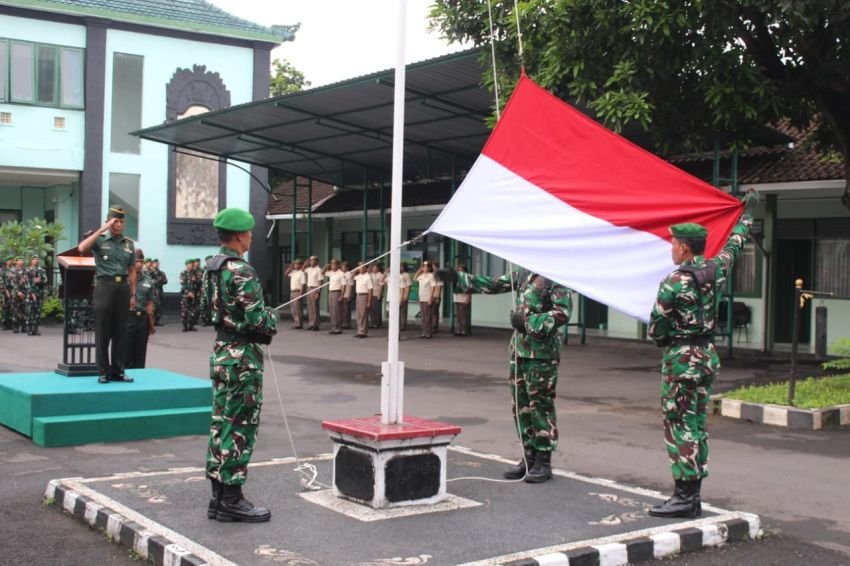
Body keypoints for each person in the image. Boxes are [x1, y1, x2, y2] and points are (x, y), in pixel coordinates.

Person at [647, 215, 751, 518]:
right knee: (696, 422)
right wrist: (745, 219)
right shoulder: (716, 270)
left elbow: (657, 328)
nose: (671, 249)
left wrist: (667, 341)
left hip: (681, 360)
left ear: (684, 248)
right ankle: (693, 496)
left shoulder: (674, 282)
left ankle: (684, 496)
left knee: (679, 423)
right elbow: (735, 244)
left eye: (674, 244)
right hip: (707, 356)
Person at [442, 265, 571, 482]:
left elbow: (562, 312)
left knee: (540, 406)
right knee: (521, 407)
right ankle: (527, 456)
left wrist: (529, 323)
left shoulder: (553, 276)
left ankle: (543, 460)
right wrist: (460, 277)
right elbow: (494, 284)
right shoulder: (522, 274)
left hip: (541, 354)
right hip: (519, 351)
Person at [203, 207, 278, 523]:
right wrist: (271, 317)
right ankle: (232, 499)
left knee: (221, 422)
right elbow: (258, 322)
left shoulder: (213, 267)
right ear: (237, 236)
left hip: (222, 351)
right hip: (242, 358)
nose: (251, 237)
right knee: (239, 426)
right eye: (248, 232)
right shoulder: (241, 271)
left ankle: (218, 497)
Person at [78, 206, 137, 383]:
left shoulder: (129, 244)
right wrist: (101, 230)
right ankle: (103, 371)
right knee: (103, 330)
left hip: (122, 288)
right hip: (105, 286)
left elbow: (132, 270)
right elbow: (82, 248)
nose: (119, 225)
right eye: (115, 221)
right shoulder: (100, 240)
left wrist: (133, 294)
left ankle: (118, 370)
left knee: (121, 330)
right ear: (109, 222)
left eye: (121, 222)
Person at [126, 249, 156, 369]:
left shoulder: (148, 280)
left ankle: (140, 375)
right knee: (126, 351)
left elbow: (150, 304)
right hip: (127, 317)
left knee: (140, 351)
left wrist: (151, 324)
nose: (139, 264)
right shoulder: (124, 278)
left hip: (142, 318)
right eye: (136, 261)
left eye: (141, 261)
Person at [26, 255, 47, 336]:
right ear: (31, 261)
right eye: (34, 259)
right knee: (30, 310)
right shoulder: (27, 270)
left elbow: (45, 280)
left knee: (38, 311)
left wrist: (40, 281)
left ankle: (36, 329)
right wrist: (31, 293)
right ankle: (30, 329)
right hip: (30, 294)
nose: (36, 260)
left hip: (39, 293)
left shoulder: (42, 270)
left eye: (37, 259)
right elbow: (26, 283)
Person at [414, 261, 435, 339]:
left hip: (427, 297)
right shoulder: (422, 276)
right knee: (423, 316)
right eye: (423, 267)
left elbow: (433, 287)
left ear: (429, 268)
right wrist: (419, 270)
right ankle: (423, 332)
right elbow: (415, 278)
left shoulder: (431, 276)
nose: (424, 268)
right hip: (421, 297)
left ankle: (428, 332)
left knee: (427, 316)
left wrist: (430, 298)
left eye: (425, 267)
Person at [8, 257, 29, 334]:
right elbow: (12, 282)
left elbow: (28, 281)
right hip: (16, 293)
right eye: (20, 260)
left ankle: (24, 326)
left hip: (25, 292)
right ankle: (15, 327)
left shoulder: (26, 270)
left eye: (23, 260)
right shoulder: (12, 270)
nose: (22, 262)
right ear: (16, 262)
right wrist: (18, 291)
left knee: (25, 309)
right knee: (15, 310)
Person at [324, 259, 345, 334]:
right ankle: (333, 327)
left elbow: (343, 285)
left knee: (337, 310)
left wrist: (341, 296)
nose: (332, 266)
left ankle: (338, 327)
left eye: (334, 264)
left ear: (338, 265)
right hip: (331, 292)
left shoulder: (341, 273)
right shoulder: (331, 273)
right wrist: (326, 266)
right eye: (331, 264)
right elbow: (322, 273)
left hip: (337, 292)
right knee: (332, 310)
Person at [352, 261, 373, 338]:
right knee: (359, 314)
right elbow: (351, 277)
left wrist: (369, 301)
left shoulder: (367, 277)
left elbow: (370, 290)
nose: (360, 269)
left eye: (361, 267)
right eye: (359, 267)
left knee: (363, 314)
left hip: (364, 295)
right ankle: (359, 330)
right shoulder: (358, 276)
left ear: (365, 268)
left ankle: (363, 331)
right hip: (358, 295)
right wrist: (356, 270)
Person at [285, 259, 306, 329]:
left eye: (297, 264)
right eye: (295, 264)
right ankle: (296, 322)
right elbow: (286, 274)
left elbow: (303, 284)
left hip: (298, 291)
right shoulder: (293, 272)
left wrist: (301, 294)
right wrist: (291, 266)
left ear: (300, 265)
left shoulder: (301, 273)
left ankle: (300, 323)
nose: (295, 265)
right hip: (292, 292)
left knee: (298, 308)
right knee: (293, 308)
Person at [303, 255, 322, 330]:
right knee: (310, 307)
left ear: (316, 261)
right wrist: (305, 263)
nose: (311, 262)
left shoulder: (318, 270)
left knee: (315, 307)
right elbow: (302, 270)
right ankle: (311, 323)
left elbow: (321, 282)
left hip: (315, 288)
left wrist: (318, 292)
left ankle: (316, 324)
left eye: (313, 260)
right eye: (310, 260)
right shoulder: (309, 269)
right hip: (309, 288)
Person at [452, 262, 472, 336]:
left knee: (463, 315)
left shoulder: (467, 277)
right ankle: (458, 329)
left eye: (461, 270)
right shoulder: (456, 278)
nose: (459, 272)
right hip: (457, 297)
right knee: (458, 315)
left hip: (464, 297)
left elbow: (469, 288)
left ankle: (464, 330)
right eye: (458, 270)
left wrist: (468, 298)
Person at [179, 259, 197, 332]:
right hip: (185, 295)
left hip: (193, 294)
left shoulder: (194, 273)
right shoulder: (183, 273)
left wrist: (195, 280)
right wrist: (188, 293)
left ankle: (191, 326)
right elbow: (183, 284)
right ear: (186, 265)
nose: (191, 265)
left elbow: (198, 283)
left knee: (193, 310)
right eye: (189, 264)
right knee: (185, 311)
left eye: (192, 264)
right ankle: (185, 326)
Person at [150, 259, 167, 326]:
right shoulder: (150, 272)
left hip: (159, 291)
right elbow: (150, 281)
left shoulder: (161, 273)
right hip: (153, 291)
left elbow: (165, 281)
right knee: (153, 306)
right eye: (154, 263)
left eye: (157, 263)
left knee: (159, 306)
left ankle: (157, 320)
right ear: (152, 264)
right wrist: (157, 281)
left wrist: (159, 281)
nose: (156, 264)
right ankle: (151, 321)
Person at [368, 263, 385, 328]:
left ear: (378, 268)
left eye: (375, 267)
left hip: (377, 293)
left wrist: (380, 294)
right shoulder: (370, 274)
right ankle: (372, 322)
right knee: (371, 309)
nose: (373, 269)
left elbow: (382, 286)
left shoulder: (380, 275)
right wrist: (369, 268)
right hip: (371, 293)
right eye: (373, 267)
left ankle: (377, 323)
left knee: (376, 309)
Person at [340, 260, 354, 330]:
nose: (342, 268)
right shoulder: (341, 274)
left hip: (347, 293)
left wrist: (349, 295)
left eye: (344, 266)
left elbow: (351, 285)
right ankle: (342, 322)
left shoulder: (349, 274)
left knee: (346, 310)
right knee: (342, 310)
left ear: (347, 268)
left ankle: (347, 323)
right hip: (341, 294)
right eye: (342, 266)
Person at [431, 262, 443, 333]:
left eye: (433, 267)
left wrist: (438, 297)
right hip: (431, 295)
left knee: (435, 312)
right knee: (433, 312)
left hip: (435, 296)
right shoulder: (432, 275)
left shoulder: (438, 275)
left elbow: (439, 287)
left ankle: (434, 326)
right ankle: (433, 325)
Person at [399, 263, 411, 331]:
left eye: (401, 267)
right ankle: (398, 324)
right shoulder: (397, 274)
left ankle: (403, 325)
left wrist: (406, 295)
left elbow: (408, 286)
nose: (400, 268)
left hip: (403, 295)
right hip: (397, 295)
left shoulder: (406, 275)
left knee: (403, 311)